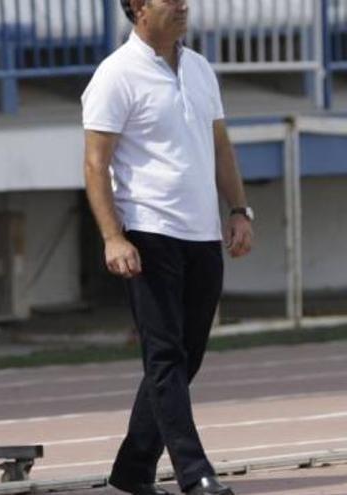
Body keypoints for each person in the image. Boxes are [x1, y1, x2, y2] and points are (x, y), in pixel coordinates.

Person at [81, 1, 253, 494]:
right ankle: (194, 473)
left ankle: (132, 471)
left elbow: (219, 145)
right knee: (164, 358)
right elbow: (96, 164)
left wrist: (239, 209)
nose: (182, 5)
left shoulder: (199, 68)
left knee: (186, 357)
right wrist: (113, 235)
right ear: (137, 7)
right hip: (148, 233)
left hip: (202, 236)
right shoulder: (115, 75)